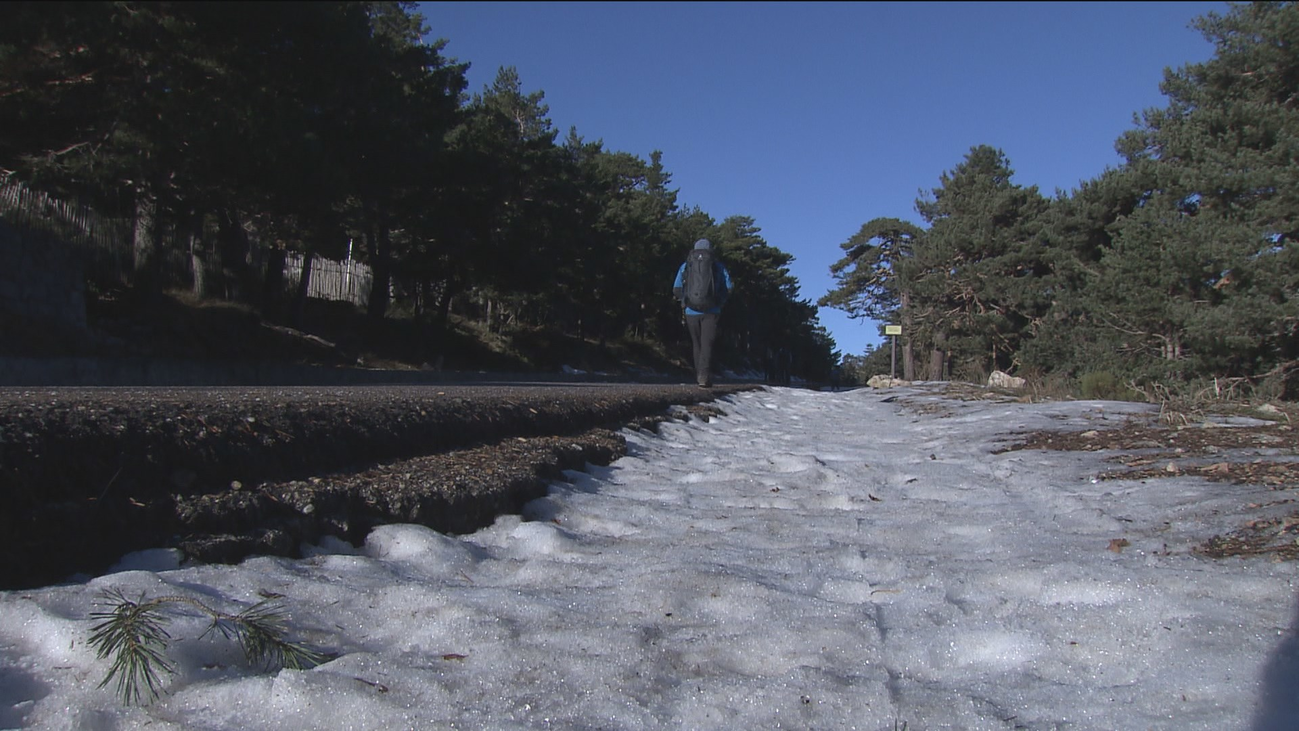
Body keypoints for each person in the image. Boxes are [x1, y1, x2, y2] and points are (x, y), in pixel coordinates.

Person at [672, 238, 732, 387]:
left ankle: (699, 375)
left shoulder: (686, 266)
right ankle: (703, 376)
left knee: (696, 344)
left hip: (691, 311)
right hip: (712, 311)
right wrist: (720, 301)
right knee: (707, 344)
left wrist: (685, 301)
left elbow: (676, 289)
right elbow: (729, 288)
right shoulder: (718, 267)